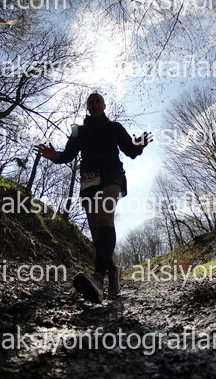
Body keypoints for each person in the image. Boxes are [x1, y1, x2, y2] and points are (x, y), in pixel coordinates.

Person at [34, 92, 152, 303]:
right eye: (91, 102)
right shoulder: (78, 131)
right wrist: (55, 156)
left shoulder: (114, 127)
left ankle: (98, 277)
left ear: (104, 105)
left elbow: (130, 151)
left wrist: (139, 146)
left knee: (106, 216)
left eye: (98, 101)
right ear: (87, 107)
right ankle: (112, 270)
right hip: (89, 179)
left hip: (112, 174)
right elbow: (68, 155)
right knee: (96, 232)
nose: (95, 104)